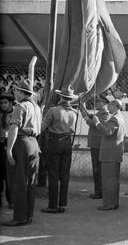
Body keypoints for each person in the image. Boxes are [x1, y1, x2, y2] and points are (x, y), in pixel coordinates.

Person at [2, 79, 41, 226]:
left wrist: (9, 149)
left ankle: (19, 217)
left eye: (15, 91)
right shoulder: (36, 107)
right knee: (30, 182)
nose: (14, 93)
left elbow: (14, 128)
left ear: (20, 92)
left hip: (22, 144)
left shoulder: (20, 107)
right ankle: (28, 215)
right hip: (34, 143)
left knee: (19, 182)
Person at [41, 86, 78, 214]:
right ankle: (62, 204)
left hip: (54, 142)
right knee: (64, 174)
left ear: (61, 97)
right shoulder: (74, 113)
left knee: (53, 174)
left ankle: (52, 205)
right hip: (67, 142)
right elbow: (72, 130)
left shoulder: (53, 110)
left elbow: (42, 127)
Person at [91, 99, 125, 210]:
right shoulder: (118, 117)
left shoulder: (115, 118)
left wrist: (97, 122)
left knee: (108, 179)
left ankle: (109, 203)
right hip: (114, 153)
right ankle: (113, 202)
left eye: (110, 105)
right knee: (113, 180)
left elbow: (107, 131)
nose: (108, 107)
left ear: (115, 107)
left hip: (110, 154)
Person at [80, 95, 110, 199]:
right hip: (96, 145)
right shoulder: (100, 113)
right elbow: (90, 118)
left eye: (98, 102)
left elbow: (92, 123)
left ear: (104, 103)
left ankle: (99, 192)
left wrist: (86, 117)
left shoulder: (105, 114)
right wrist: (82, 108)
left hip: (98, 145)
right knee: (96, 169)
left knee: (98, 170)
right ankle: (98, 191)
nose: (96, 103)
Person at [0, 92, 15, 208]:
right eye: (1, 103)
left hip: (10, 145)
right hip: (0, 145)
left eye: (5, 102)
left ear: (10, 103)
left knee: (9, 174)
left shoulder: (15, 113)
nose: (3, 105)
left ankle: (11, 201)